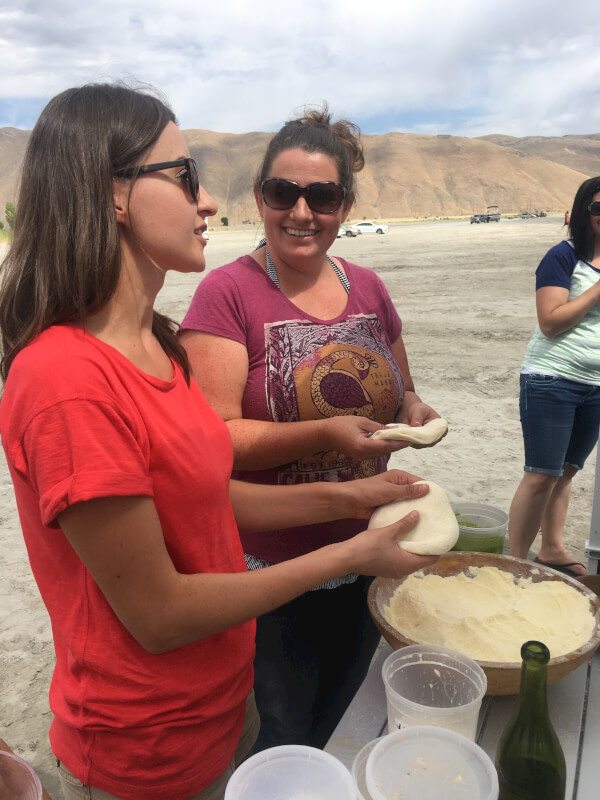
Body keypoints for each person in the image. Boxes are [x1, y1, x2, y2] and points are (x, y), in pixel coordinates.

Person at [0, 85, 437, 800]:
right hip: (145, 749)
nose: (207, 203)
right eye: (184, 177)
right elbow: (160, 614)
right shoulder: (66, 380)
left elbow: (207, 495)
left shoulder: (156, 346)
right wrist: (349, 553)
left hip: (218, 711)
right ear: (113, 195)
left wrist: (359, 494)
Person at [179, 106, 444, 751]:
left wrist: (415, 412)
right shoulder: (226, 294)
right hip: (272, 563)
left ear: (344, 205)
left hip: (371, 546)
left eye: (321, 195)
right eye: (283, 192)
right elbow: (217, 436)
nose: (301, 212)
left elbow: (400, 388)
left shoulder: (371, 289)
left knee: (349, 715)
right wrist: (325, 434)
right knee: (288, 727)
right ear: (260, 197)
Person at [508, 177, 600, 576]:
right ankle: (511, 562)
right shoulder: (562, 257)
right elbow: (550, 322)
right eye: (598, 208)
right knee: (541, 475)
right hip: (552, 378)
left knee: (566, 472)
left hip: (595, 385)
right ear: (583, 212)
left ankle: (552, 549)